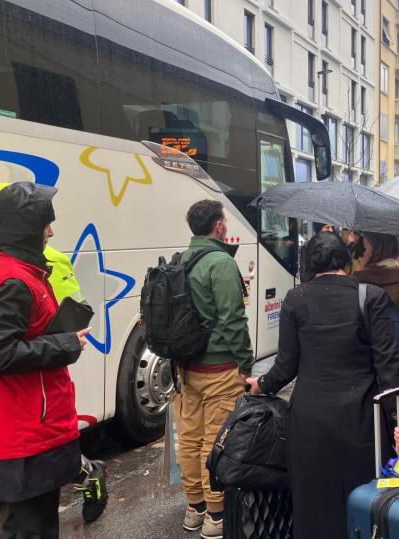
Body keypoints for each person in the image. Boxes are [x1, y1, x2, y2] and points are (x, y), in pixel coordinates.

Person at [0, 183, 107, 537]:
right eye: (46, 222)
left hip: (21, 413)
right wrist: (66, 343)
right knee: (33, 524)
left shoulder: (17, 268)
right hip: (22, 420)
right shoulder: (13, 278)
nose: (51, 230)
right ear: (27, 225)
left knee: (26, 522)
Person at [246, 233, 399, 538]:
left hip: (309, 423)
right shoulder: (370, 296)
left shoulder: (295, 299)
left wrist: (260, 385)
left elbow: (285, 367)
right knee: (363, 502)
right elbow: (389, 367)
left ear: (310, 263)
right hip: (362, 421)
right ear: (346, 261)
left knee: (313, 506)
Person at [176, 200, 253, 538]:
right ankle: (217, 515)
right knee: (215, 442)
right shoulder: (220, 263)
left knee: (190, 439)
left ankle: (195, 509)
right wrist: (245, 363)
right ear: (219, 226)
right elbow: (232, 320)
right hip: (219, 369)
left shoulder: (182, 260)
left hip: (186, 368)